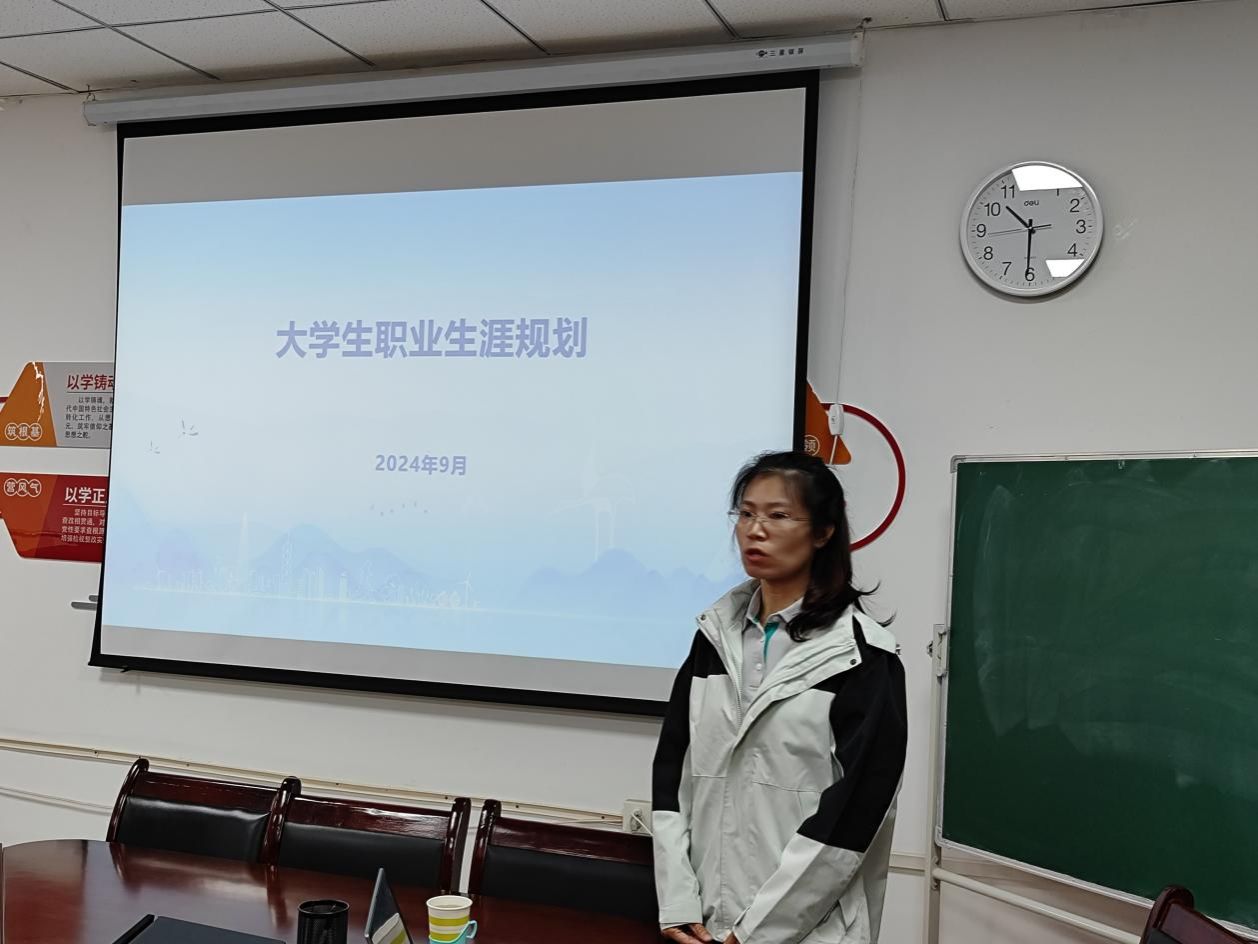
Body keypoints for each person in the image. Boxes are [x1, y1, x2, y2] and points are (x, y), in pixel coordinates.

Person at [652, 451, 907, 944]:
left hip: (809, 931)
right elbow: (672, 776)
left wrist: (754, 932)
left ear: (823, 532)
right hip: (705, 924)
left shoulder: (862, 657)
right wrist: (678, 902)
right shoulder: (713, 638)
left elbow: (855, 812)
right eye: (746, 513)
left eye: (779, 515)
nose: (755, 530)